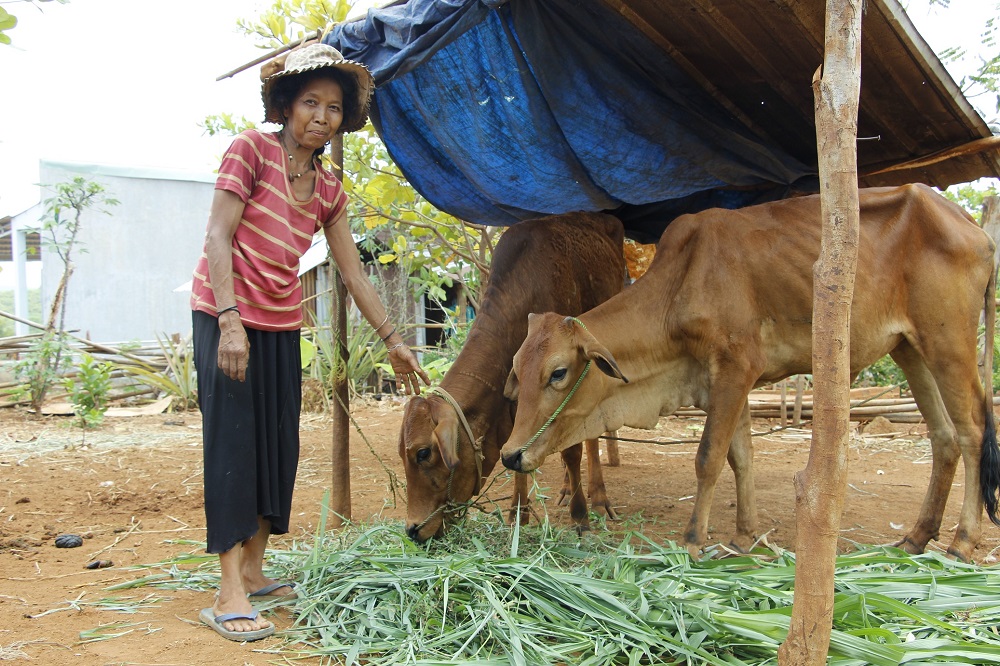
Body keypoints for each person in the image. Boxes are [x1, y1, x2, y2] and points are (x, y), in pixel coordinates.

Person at [189, 43, 430, 642]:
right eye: (309, 102)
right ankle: (228, 592)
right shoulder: (250, 151)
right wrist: (228, 321)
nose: (321, 116)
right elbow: (218, 238)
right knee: (233, 449)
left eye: (332, 107)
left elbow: (352, 273)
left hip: (279, 325)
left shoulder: (328, 188)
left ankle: (255, 568)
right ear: (285, 105)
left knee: (278, 447)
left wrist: (395, 340)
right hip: (226, 319)